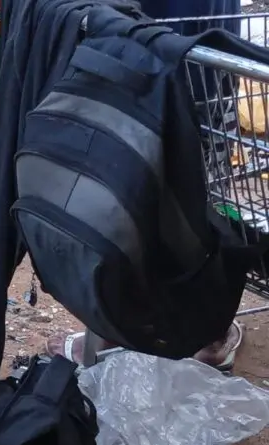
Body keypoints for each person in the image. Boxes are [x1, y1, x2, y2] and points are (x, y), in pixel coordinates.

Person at [45, 0, 245, 370]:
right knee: (193, 204)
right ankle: (194, 329)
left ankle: (126, 326)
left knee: (129, 200)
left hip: (142, 61)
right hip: (201, 57)